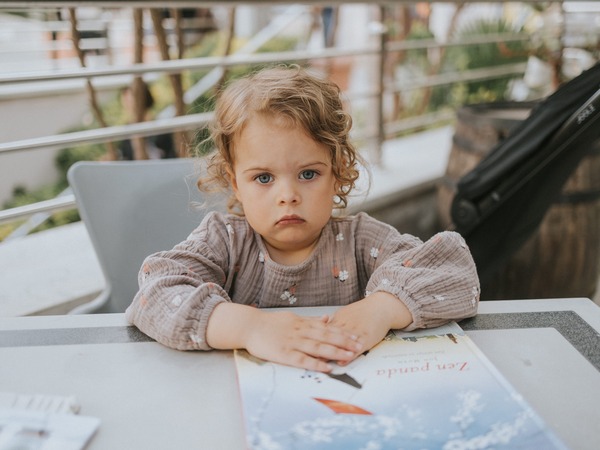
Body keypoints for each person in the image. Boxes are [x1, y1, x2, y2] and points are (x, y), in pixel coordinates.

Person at [126, 65, 480, 373]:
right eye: (263, 178)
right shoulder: (224, 241)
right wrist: (251, 328)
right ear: (235, 184)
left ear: (337, 174)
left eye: (308, 174)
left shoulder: (362, 241)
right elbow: (153, 294)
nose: (287, 195)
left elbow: (455, 271)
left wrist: (382, 309)